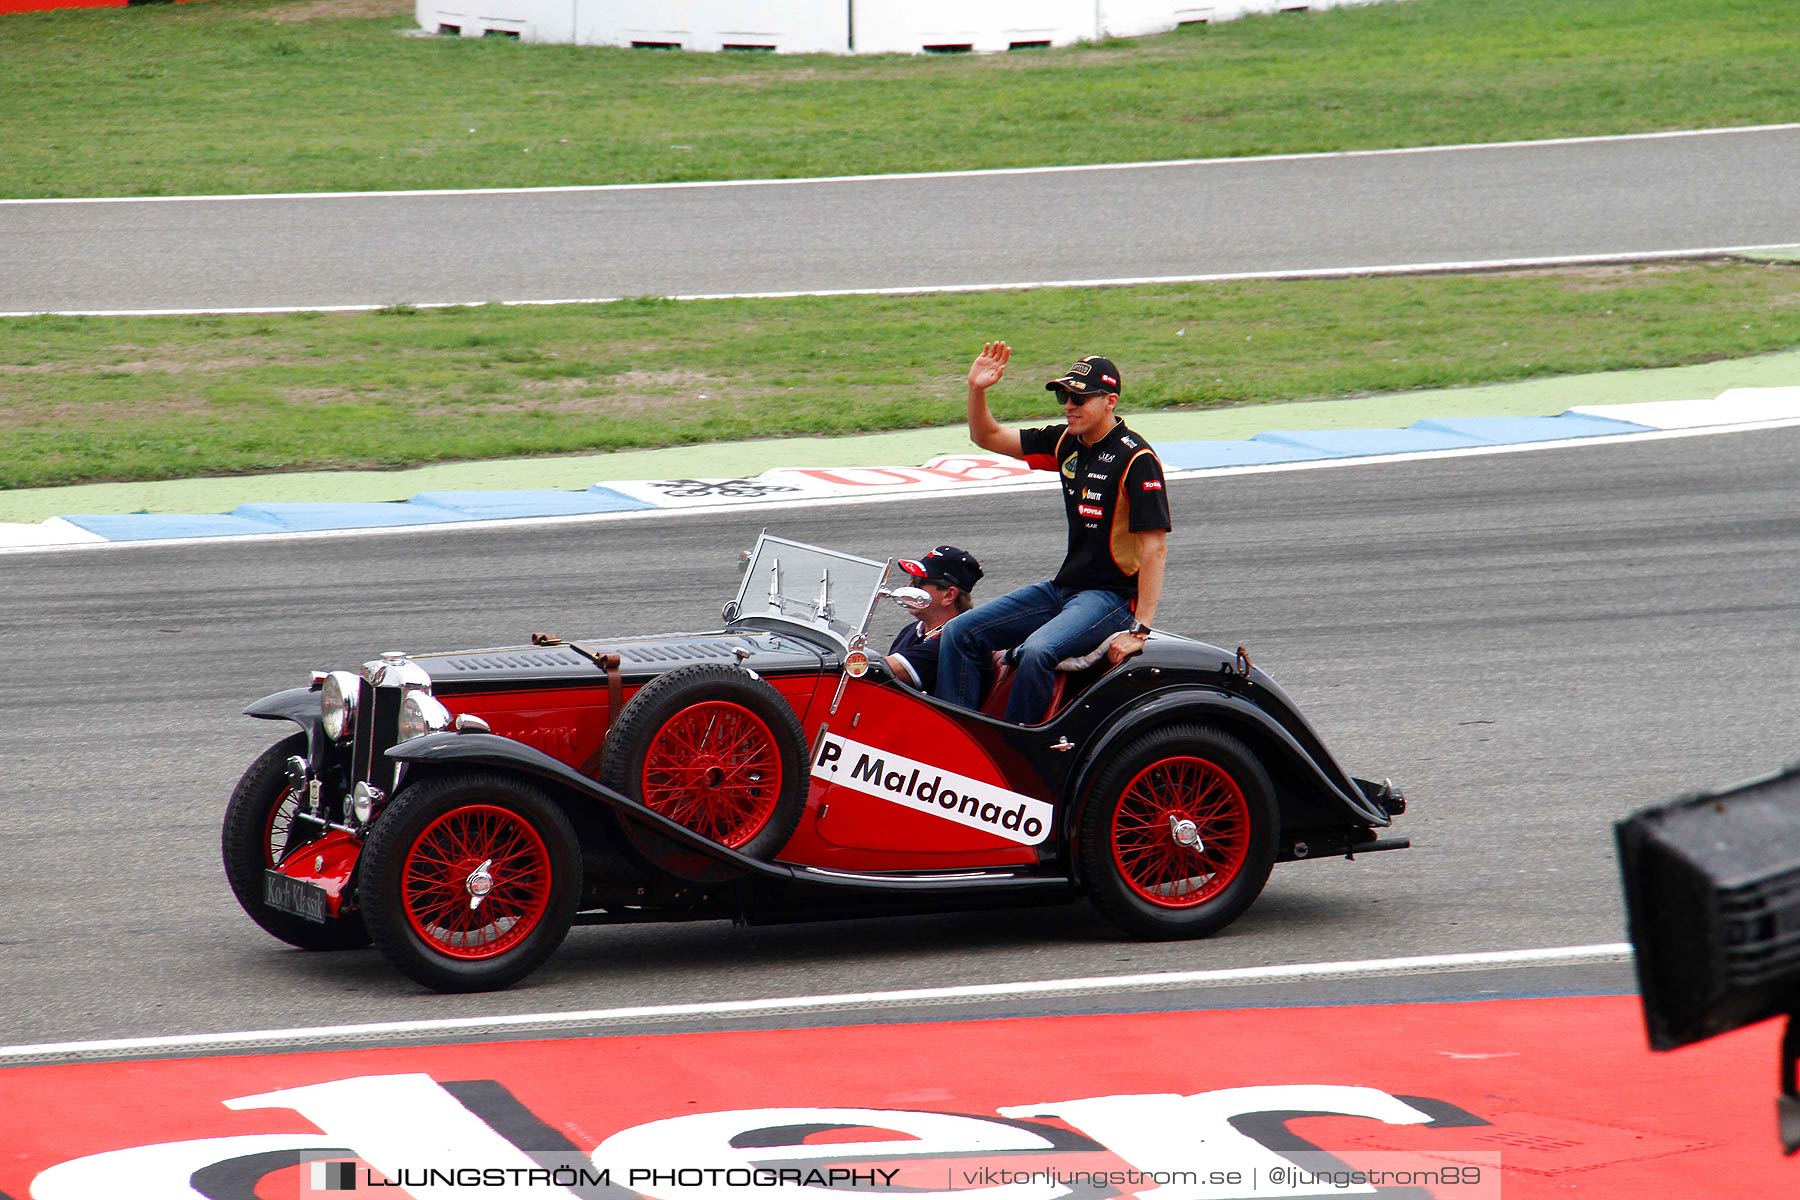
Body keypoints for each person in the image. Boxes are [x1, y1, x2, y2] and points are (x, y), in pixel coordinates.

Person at [935, 342, 1170, 724]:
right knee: (960, 631)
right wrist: (976, 389)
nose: (1068, 405)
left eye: (1079, 397)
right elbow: (987, 437)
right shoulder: (1066, 442)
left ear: (1110, 401)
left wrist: (1139, 630)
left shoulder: (1136, 460)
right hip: (1064, 589)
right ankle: (959, 738)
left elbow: (1154, 549)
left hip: (1110, 599)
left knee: (1037, 650)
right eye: (1064, 395)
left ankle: (1012, 754)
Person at [884, 545, 992, 697]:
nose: (909, 587)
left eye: (918, 582)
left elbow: (881, 672)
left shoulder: (955, 643)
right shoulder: (911, 630)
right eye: (911, 580)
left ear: (949, 595)